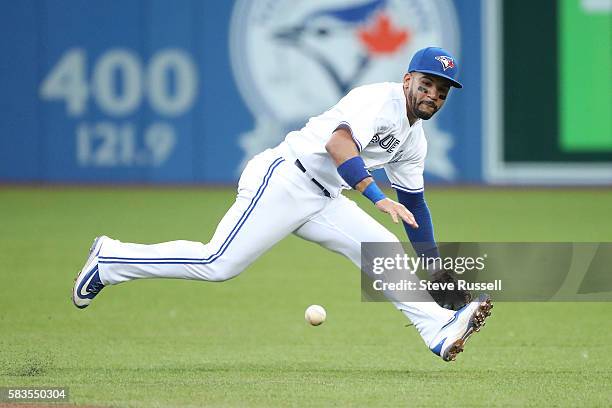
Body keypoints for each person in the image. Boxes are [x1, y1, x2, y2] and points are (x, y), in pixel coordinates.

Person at [72, 47, 492, 362]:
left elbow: (415, 206)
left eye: (441, 91)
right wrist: (376, 195)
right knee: (218, 263)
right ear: (407, 80)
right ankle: (110, 259)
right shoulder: (378, 101)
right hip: (285, 178)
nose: (432, 95)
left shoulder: (414, 140)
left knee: (380, 250)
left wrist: (435, 266)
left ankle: (437, 329)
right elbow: (338, 143)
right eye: (426, 83)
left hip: (325, 197)